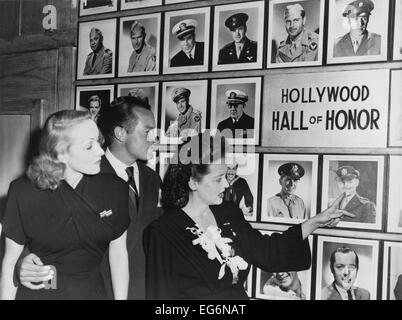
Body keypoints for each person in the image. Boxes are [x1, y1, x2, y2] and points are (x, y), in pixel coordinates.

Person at [143, 131, 355, 299]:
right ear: (193, 182)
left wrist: (316, 221)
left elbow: (267, 251)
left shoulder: (228, 212)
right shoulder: (163, 233)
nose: (226, 185)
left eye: (226, 176)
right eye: (218, 179)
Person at [16, 96, 162, 300]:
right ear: (121, 133)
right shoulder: (72, 172)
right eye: (148, 132)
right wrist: (23, 264)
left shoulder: (153, 179)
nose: (155, 139)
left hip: (140, 291)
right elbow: (34, 237)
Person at [0, 110, 129, 300]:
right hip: (41, 293)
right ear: (61, 154)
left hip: (92, 293)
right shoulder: (23, 192)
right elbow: (10, 262)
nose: (101, 151)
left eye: (98, 142)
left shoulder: (114, 188)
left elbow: (118, 254)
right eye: (88, 146)